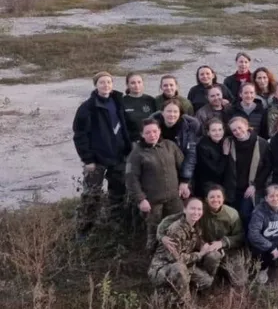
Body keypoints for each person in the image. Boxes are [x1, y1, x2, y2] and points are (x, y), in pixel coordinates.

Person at [73, 71, 133, 235]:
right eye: (102, 82)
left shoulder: (117, 101)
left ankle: (115, 225)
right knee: (91, 195)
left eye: (109, 82)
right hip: (97, 159)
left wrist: (127, 149)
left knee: (117, 193)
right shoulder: (88, 108)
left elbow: (124, 127)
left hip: (118, 156)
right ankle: (84, 230)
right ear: (96, 85)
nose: (106, 85)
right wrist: (88, 159)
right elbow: (79, 135)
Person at [156, 186, 247, 288]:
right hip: (207, 249)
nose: (215, 200)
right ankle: (208, 279)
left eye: (218, 197)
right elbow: (167, 221)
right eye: (212, 197)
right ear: (206, 199)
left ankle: (223, 269)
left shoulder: (232, 214)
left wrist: (222, 243)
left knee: (239, 282)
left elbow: (240, 236)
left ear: (223, 199)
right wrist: (161, 237)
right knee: (213, 257)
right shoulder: (199, 210)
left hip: (229, 250)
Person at [126, 118, 184, 250]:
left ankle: (177, 254)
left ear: (159, 131)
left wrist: (185, 183)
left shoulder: (170, 146)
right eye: (148, 132)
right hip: (153, 202)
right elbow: (131, 179)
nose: (152, 135)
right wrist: (141, 200)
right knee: (154, 233)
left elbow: (183, 167)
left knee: (178, 228)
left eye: (154, 131)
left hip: (174, 198)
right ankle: (152, 257)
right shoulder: (136, 153)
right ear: (142, 134)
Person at [148, 197, 214, 302]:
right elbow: (177, 258)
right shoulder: (176, 229)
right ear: (185, 210)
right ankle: (182, 302)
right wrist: (200, 254)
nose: (196, 212)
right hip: (163, 268)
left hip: (184, 266)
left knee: (206, 281)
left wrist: (205, 246)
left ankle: (180, 287)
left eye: (199, 209)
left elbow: (197, 241)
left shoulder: (196, 226)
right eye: (192, 208)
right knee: (180, 268)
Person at [224, 116, 270, 226]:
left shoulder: (261, 143)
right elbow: (225, 167)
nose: (238, 132)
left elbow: (267, 167)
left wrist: (255, 185)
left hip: (251, 187)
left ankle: (248, 241)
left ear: (247, 126)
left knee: (245, 214)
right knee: (234, 216)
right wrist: (225, 155)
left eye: (240, 128)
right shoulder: (229, 143)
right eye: (234, 130)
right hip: (233, 187)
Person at [151, 100, 201, 199]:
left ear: (180, 114)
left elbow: (190, 155)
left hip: (181, 169)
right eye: (169, 111)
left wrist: (185, 180)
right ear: (162, 112)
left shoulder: (188, 127)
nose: (172, 114)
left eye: (175, 112)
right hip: (157, 171)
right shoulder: (152, 127)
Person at [193, 118, 230, 198]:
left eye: (220, 129)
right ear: (208, 132)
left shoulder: (223, 142)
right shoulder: (203, 147)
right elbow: (216, 171)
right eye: (214, 130)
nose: (218, 133)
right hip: (207, 187)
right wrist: (225, 155)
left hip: (221, 184)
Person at [122, 72, 157, 142]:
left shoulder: (151, 100)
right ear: (127, 85)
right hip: (132, 142)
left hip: (150, 139)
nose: (136, 85)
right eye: (133, 83)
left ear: (143, 83)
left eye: (139, 82)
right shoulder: (122, 101)